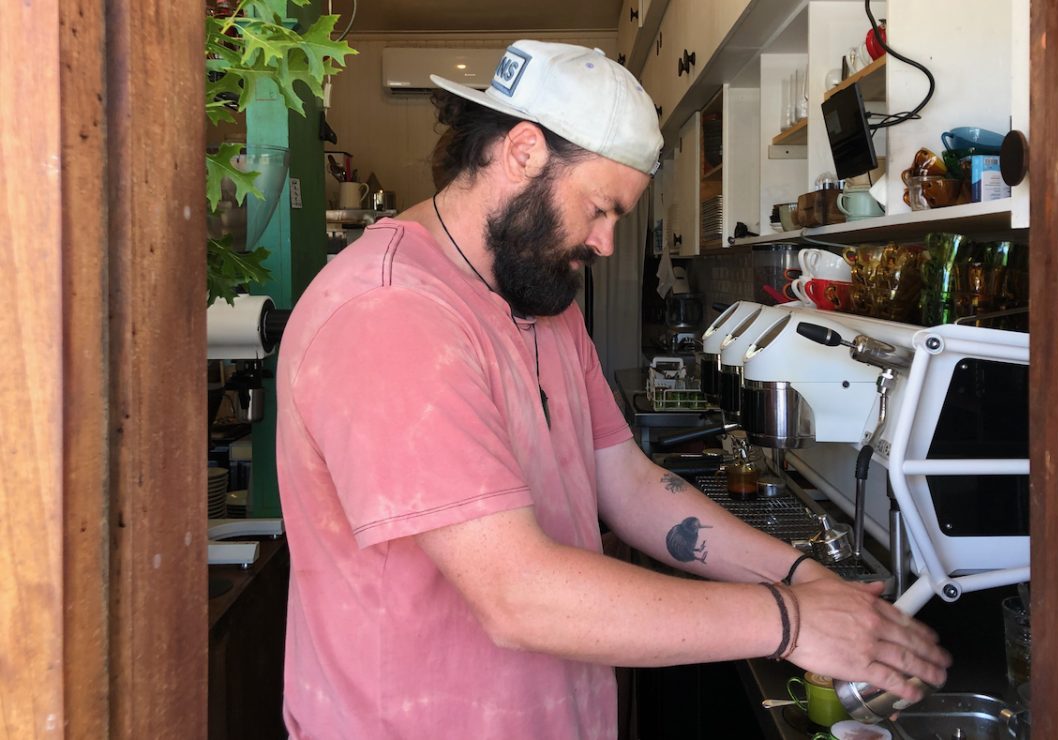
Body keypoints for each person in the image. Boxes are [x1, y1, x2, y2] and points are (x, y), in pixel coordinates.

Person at [275, 39, 950, 739]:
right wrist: (792, 621)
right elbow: (518, 596)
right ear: (524, 152)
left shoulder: (540, 298)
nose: (604, 243)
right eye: (600, 208)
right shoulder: (391, 314)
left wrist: (803, 575)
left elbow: (622, 479)